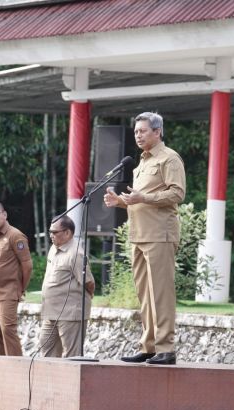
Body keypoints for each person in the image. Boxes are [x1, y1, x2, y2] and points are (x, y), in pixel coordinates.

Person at [104, 112, 186, 365]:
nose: (138, 135)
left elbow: (177, 194)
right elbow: (139, 201)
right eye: (136, 131)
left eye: (143, 131)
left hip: (160, 235)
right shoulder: (140, 163)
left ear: (157, 131)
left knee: (160, 293)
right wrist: (120, 202)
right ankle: (149, 346)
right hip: (139, 235)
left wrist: (144, 198)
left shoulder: (169, 159)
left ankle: (166, 348)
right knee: (145, 295)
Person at [0, 202, 33, 378]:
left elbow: (27, 266)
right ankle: (0, 377)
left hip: (8, 292)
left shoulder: (16, 236)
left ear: (4, 214)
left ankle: (17, 376)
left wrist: (20, 288)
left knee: (7, 331)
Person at [39, 215, 95, 358]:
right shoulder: (54, 247)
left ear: (67, 233)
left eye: (54, 232)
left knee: (71, 356)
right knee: (46, 352)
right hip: (51, 312)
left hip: (70, 314)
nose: (51, 235)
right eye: (50, 231)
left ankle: (69, 381)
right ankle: (48, 381)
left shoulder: (76, 254)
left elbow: (89, 283)